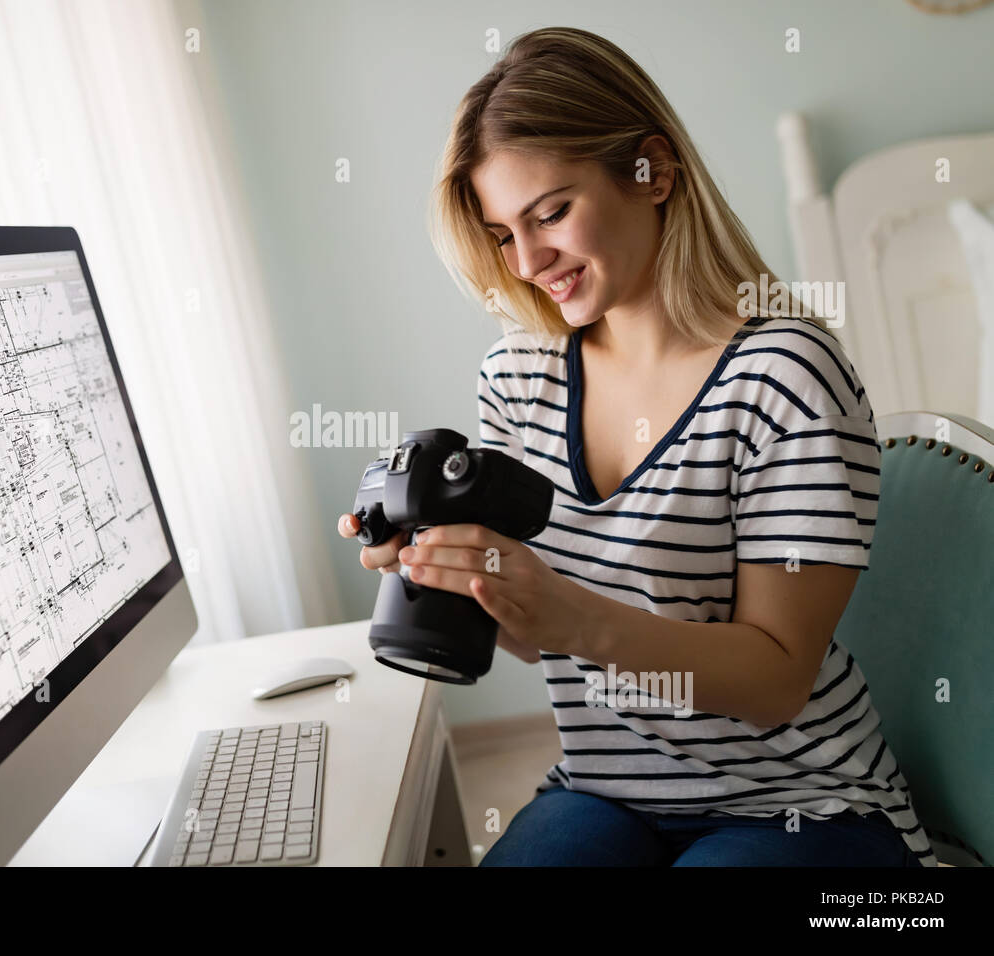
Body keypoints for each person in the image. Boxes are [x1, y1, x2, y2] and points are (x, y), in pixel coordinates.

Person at [338, 27, 932, 867]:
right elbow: (548, 639)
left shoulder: (784, 376)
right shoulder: (520, 377)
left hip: (806, 804)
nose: (529, 260)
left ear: (654, 170)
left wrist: (566, 609)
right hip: (607, 793)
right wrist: (453, 575)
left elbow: (774, 681)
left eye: (550, 213)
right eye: (504, 233)